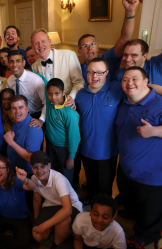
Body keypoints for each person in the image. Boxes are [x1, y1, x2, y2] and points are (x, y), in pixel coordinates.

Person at [115, 66, 162, 245]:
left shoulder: (159, 103)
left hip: (151, 174)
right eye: (125, 80)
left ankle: (147, 235)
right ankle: (134, 213)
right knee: (130, 198)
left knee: (150, 210)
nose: (129, 83)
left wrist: (155, 131)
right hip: (127, 167)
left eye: (134, 79)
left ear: (145, 82)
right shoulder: (125, 103)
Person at [75, 58, 123, 203]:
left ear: (107, 73)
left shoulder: (117, 89)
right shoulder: (80, 95)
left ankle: (104, 208)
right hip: (86, 148)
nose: (94, 76)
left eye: (99, 72)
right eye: (90, 72)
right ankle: (90, 199)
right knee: (90, 179)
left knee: (105, 186)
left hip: (107, 151)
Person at [78, 0, 139, 84]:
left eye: (93, 44)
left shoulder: (108, 58)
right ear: (79, 52)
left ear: (98, 47)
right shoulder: (78, 70)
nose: (90, 48)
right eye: (85, 46)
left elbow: (125, 38)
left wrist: (130, 12)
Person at [30, 151, 82, 247]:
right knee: (37, 235)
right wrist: (36, 220)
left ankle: (57, 244)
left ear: (49, 166)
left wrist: (44, 225)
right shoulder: (34, 178)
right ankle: (55, 226)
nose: (39, 170)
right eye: (35, 167)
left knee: (61, 222)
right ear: (31, 167)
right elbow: (37, 200)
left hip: (72, 205)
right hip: (51, 204)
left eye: (43, 166)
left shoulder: (59, 180)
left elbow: (68, 209)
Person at [31, 28, 84, 99]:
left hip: (70, 104)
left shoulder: (68, 55)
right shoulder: (34, 67)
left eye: (43, 41)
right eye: (36, 43)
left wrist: (70, 98)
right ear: (32, 47)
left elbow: (79, 82)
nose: (40, 45)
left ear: (49, 42)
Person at [45, 78, 80, 184]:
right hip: (51, 146)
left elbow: (74, 136)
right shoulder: (50, 102)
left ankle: (68, 198)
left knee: (66, 177)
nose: (53, 97)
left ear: (64, 92)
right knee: (53, 174)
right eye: (50, 94)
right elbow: (42, 79)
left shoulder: (70, 113)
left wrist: (71, 157)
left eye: (57, 93)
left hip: (64, 149)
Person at [4, 95, 43, 175]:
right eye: (14, 108)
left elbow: (31, 158)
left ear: (27, 109)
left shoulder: (34, 129)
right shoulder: (18, 121)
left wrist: (11, 142)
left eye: (20, 107)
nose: (17, 111)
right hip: (14, 170)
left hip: (26, 175)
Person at [6, 50, 46, 125]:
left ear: (23, 63)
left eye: (18, 61)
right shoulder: (10, 80)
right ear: (8, 64)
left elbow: (46, 103)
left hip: (35, 116)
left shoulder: (36, 80)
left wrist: (41, 120)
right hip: (18, 116)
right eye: (11, 61)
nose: (14, 64)